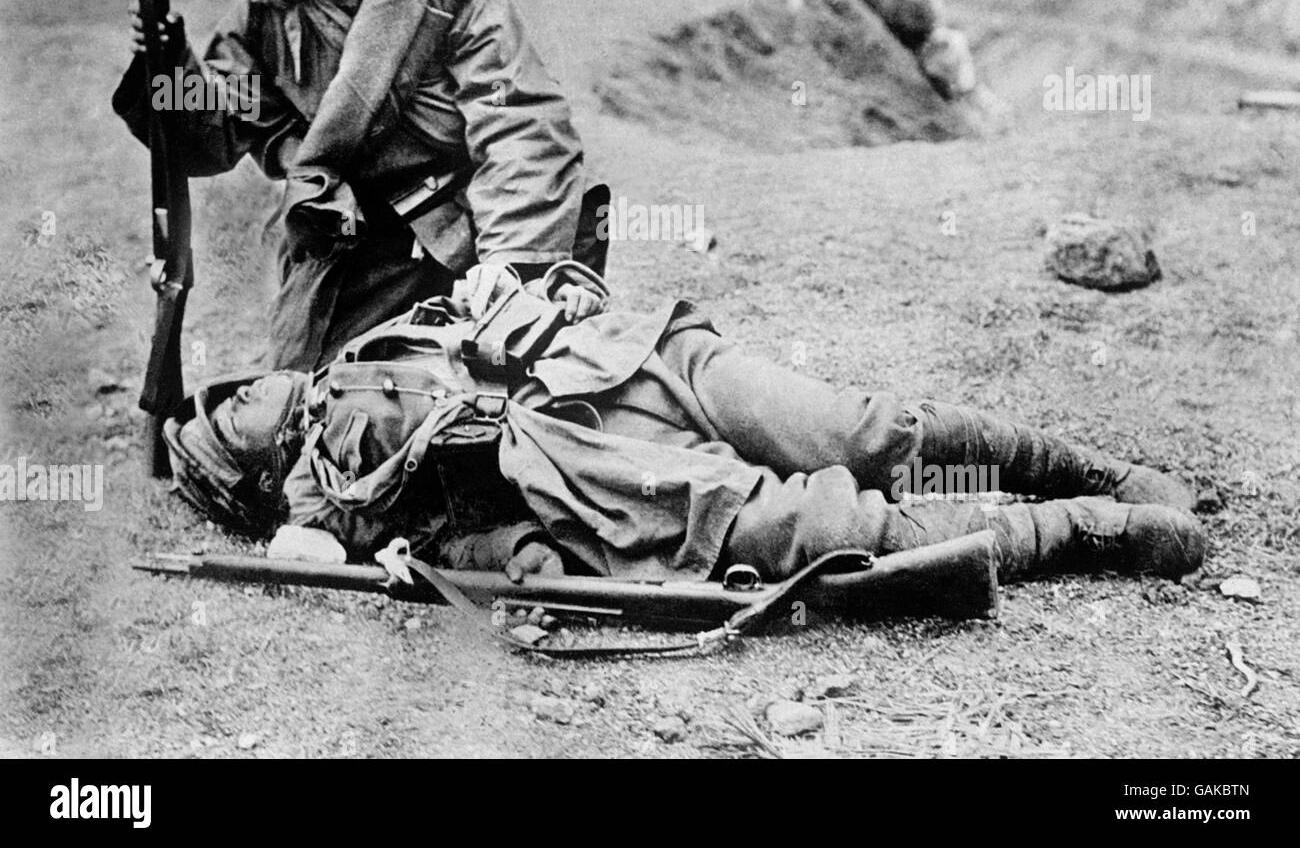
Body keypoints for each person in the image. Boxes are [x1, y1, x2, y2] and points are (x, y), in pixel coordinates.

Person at [163, 264, 1205, 590]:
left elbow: (524, 282)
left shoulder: (362, 345)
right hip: (592, 476)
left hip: (643, 363)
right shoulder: (320, 497)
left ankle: (1095, 472)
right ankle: (1083, 533)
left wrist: (508, 292)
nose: (242, 391)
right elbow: (360, 550)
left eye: (231, 387)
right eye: (227, 418)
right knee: (810, 528)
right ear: (248, 475)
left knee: (859, 433)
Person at [116, 0, 606, 372]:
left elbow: (517, 119)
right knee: (299, 406)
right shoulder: (275, 4)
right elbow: (222, 129)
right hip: (352, 238)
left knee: (501, 388)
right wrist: (166, 61)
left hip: (463, 231)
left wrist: (509, 264)